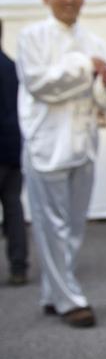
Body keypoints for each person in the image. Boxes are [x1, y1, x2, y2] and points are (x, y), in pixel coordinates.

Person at [17, 0, 106, 327]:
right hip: (47, 144)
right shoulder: (32, 37)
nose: (68, 0)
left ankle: (54, 291)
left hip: (83, 144)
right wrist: (84, 69)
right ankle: (69, 299)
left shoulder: (95, 41)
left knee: (74, 225)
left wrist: (105, 82)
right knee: (51, 226)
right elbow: (39, 84)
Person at [0, 19, 28, 285]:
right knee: (14, 207)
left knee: (13, 207)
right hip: (14, 149)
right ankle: (19, 266)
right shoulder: (12, 67)